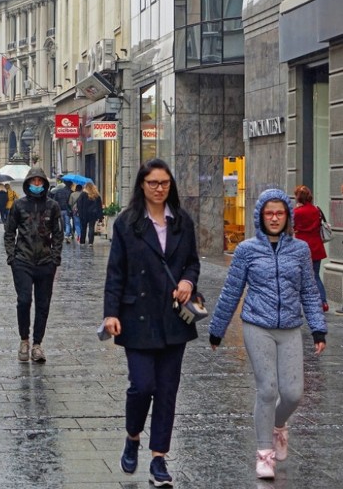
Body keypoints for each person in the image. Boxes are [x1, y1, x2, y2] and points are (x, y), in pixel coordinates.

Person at [209, 188, 327, 480]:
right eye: (269, 213)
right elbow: (231, 291)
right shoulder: (246, 250)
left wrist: (318, 328)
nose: (274, 218)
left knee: (293, 393)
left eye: (279, 213)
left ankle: (278, 425)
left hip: (290, 327)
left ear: (287, 217)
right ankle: (264, 453)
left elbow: (309, 291)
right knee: (267, 389)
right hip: (257, 325)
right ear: (260, 216)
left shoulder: (300, 250)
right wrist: (217, 329)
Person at [101, 158, 200, 487]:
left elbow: (192, 263)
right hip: (137, 316)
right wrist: (111, 313)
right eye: (153, 183)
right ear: (142, 185)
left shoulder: (182, 221)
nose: (159, 189)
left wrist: (187, 281)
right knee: (142, 385)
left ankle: (159, 457)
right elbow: (116, 272)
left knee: (167, 390)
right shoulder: (127, 223)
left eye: (165, 183)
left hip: (172, 316)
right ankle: (133, 436)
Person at [4, 166, 62, 363]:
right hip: (23, 260)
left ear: (44, 184)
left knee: (43, 304)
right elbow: (9, 232)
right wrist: (12, 257)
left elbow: (58, 233)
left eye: (40, 181)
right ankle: (24, 340)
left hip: (45, 262)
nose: (37, 184)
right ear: (28, 183)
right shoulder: (18, 205)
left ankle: (37, 344)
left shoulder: (53, 206)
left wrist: (55, 258)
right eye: (33, 181)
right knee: (24, 300)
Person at [293, 185, 328, 311]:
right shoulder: (316, 210)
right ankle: (323, 302)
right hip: (316, 247)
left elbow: (292, 227)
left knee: (299, 276)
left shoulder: (296, 212)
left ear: (298, 197)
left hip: (301, 247)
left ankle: (298, 304)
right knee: (315, 276)